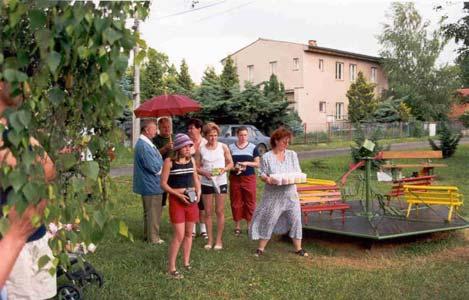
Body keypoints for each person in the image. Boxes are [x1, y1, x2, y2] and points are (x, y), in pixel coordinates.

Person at [0, 81, 57, 299]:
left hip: (33, 237)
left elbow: (50, 167)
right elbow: (36, 174)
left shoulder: (14, 131)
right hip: (9, 249)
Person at [249, 127, 308, 257]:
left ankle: (299, 248)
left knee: (296, 220)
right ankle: (261, 248)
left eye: (288, 141)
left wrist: (294, 178)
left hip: (290, 195)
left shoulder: (292, 155)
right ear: (275, 141)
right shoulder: (267, 157)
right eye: (284, 141)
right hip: (273, 195)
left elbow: (297, 172)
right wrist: (267, 179)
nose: (286, 144)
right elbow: (262, 174)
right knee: (269, 220)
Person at [160, 134, 201, 280]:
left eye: (189, 146)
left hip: (191, 200)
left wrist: (199, 192)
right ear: (178, 147)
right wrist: (178, 194)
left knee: (189, 234)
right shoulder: (169, 162)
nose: (188, 148)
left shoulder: (192, 161)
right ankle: (171, 267)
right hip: (177, 201)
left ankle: (186, 262)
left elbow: (196, 178)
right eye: (185, 146)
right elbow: (163, 184)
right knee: (179, 235)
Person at [195, 122, 233, 250]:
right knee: (208, 212)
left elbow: (230, 163)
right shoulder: (201, 149)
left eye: (215, 135)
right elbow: (196, 167)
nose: (213, 138)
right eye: (210, 135)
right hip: (206, 182)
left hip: (221, 181)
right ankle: (210, 240)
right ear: (205, 136)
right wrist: (203, 172)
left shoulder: (223, 147)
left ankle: (218, 240)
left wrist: (224, 170)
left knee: (220, 211)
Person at [133, 119, 165, 244]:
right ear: (146, 130)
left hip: (150, 184)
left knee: (150, 212)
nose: (156, 131)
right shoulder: (144, 146)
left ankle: (148, 236)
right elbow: (155, 167)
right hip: (151, 184)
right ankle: (153, 238)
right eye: (154, 128)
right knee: (153, 213)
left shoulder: (145, 144)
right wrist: (165, 167)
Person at [228, 126, 260, 236]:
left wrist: (246, 163)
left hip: (249, 177)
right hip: (235, 178)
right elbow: (228, 164)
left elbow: (257, 163)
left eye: (245, 135)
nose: (243, 137)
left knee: (250, 201)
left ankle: (249, 225)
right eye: (241, 135)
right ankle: (237, 226)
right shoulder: (231, 147)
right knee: (236, 201)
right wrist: (234, 168)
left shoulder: (253, 147)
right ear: (237, 135)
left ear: (248, 135)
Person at [187, 118, 208, 239]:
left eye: (192, 128)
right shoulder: (186, 142)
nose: (190, 130)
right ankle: (193, 228)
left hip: (203, 176)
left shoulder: (205, 142)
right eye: (188, 128)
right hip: (189, 176)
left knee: (203, 203)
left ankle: (203, 228)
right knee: (192, 200)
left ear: (199, 129)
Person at [153, 117, 175, 207]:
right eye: (164, 127)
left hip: (174, 167)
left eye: (168, 127)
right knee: (162, 188)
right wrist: (165, 148)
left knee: (174, 187)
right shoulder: (155, 139)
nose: (167, 129)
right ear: (159, 128)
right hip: (161, 167)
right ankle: (161, 205)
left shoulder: (174, 137)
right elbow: (154, 154)